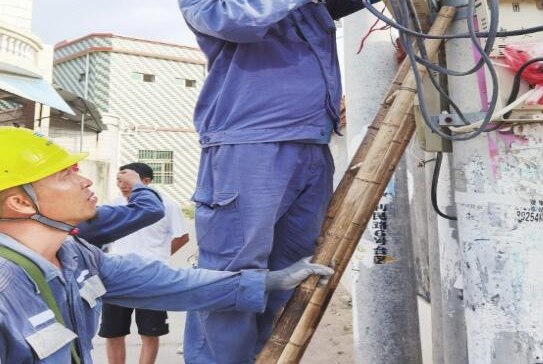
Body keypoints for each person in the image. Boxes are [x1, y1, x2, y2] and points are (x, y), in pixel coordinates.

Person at [178, 0, 379, 363]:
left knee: (288, 273)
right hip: (249, 147)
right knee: (232, 272)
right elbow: (244, 19)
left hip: (311, 149)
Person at [0, 127, 333, 364]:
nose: (85, 179)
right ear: (20, 202)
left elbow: (171, 283)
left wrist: (270, 281)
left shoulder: (76, 256)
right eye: (65, 175)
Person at [99, 162, 189, 364]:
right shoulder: (114, 205)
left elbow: (182, 237)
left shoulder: (167, 205)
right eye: (119, 181)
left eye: (127, 181)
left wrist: (160, 257)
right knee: (113, 332)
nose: (122, 185)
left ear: (146, 182)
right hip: (117, 275)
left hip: (152, 277)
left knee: (150, 332)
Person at [76, 166, 165, 247]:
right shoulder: (87, 219)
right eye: (68, 175)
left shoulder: (169, 205)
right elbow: (151, 208)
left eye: (127, 181)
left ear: (146, 181)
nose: (87, 182)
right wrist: (136, 184)